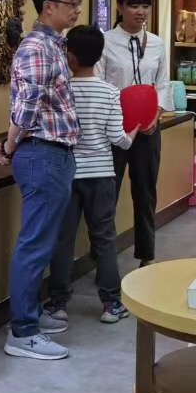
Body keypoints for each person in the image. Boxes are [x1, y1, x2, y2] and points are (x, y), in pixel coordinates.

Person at [0, 0, 82, 361]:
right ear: (49, 7)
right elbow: (26, 108)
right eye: (72, 4)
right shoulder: (36, 48)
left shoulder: (53, 45)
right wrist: (9, 145)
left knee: (44, 241)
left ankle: (29, 314)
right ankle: (23, 331)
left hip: (55, 153)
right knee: (35, 244)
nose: (77, 11)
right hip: (42, 153)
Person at [43, 26, 138, 325]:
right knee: (104, 238)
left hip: (66, 174)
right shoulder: (110, 92)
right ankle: (111, 304)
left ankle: (58, 303)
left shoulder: (60, 91)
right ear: (99, 56)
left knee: (63, 239)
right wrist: (133, 133)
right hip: (101, 175)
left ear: (69, 56)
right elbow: (118, 139)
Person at [98, 0, 171, 266]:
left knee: (145, 192)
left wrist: (155, 116)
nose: (140, 12)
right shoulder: (105, 42)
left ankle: (146, 255)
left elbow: (162, 84)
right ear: (119, 7)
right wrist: (115, 122)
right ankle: (103, 258)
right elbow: (100, 85)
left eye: (145, 6)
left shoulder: (157, 43)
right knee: (108, 193)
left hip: (148, 129)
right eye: (134, 5)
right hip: (114, 130)